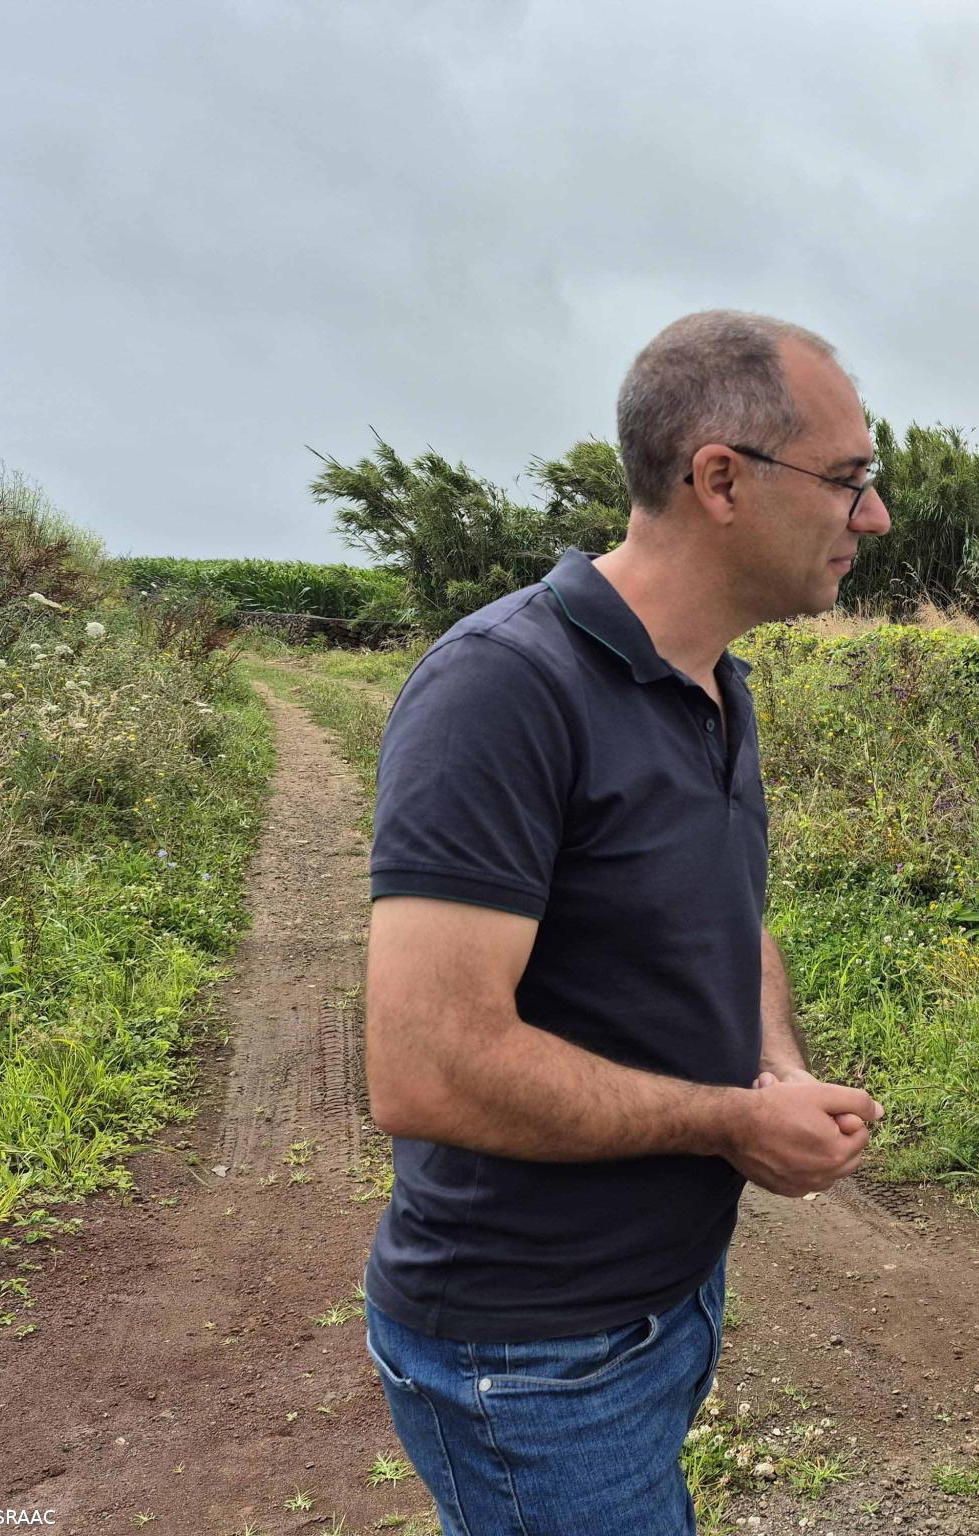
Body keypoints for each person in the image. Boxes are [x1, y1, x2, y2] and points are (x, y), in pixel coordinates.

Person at [360, 310, 891, 1535]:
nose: (870, 517)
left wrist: (776, 1067)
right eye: (849, 481)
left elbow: (725, 916)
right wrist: (732, 1122)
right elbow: (426, 1068)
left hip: (658, 1298)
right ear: (720, 478)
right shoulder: (503, 687)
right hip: (530, 1346)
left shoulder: (712, 677)